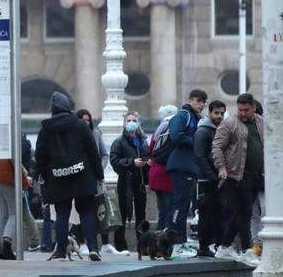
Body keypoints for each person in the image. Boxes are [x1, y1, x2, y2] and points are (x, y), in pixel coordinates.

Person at [33, 92, 103, 261]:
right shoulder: (80, 125)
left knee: (62, 214)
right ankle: (93, 247)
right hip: (82, 174)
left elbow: (40, 156)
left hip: (57, 177)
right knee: (87, 211)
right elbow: (92, 151)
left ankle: (61, 249)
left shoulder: (46, 129)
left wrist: (40, 175)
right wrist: (99, 174)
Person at [212, 93, 265, 265]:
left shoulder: (261, 122)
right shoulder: (230, 123)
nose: (242, 113)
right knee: (245, 212)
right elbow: (217, 146)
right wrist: (221, 168)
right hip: (236, 175)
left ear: (254, 107)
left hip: (255, 175)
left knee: (241, 213)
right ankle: (247, 250)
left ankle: (225, 247)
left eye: (246, 110)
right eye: (239, 109)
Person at [165, 89, 208, 255]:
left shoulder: (197, 119)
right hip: (180, 167)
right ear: (190, 100)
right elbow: (176, 136)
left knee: (183, 207)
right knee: (179, 207)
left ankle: (180, 242)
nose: (201, 104)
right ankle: (176, 245)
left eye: (203, 102)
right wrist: (197, 142)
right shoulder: (182, 116)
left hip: (188, 168)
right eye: (198, 101)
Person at [108, 112, 148, 253]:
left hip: (140, 182)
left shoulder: (143, 141)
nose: (131, 123)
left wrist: (147, 163)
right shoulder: (119, 142)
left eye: (134, 120)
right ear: (124, 123)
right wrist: (131, 163)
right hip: (125, 181)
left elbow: (147, 157)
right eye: (129, 120)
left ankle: (142, 244)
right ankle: (120, 245)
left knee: (141, 213)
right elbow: (114, 160)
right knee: (123, 213)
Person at [192, 102, 225, 258]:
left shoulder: (219, 130)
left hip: (218, 179)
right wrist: (212, 176)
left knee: (218, 213)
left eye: (221, 113)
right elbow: (200, 157)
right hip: (207, 180)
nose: (219, 116)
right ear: (210, 113)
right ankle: (204, 246)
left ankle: (217, 244)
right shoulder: (203, 132)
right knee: (206, 214)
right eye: (216, 113)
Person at [147, 104, 178, 232]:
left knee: (162, 210)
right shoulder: (171, 128)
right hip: (165, 174)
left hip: (155, 173)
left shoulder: (159, 130)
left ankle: (157, 237)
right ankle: (165, 237)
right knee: (169, 210)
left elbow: (151, 150)